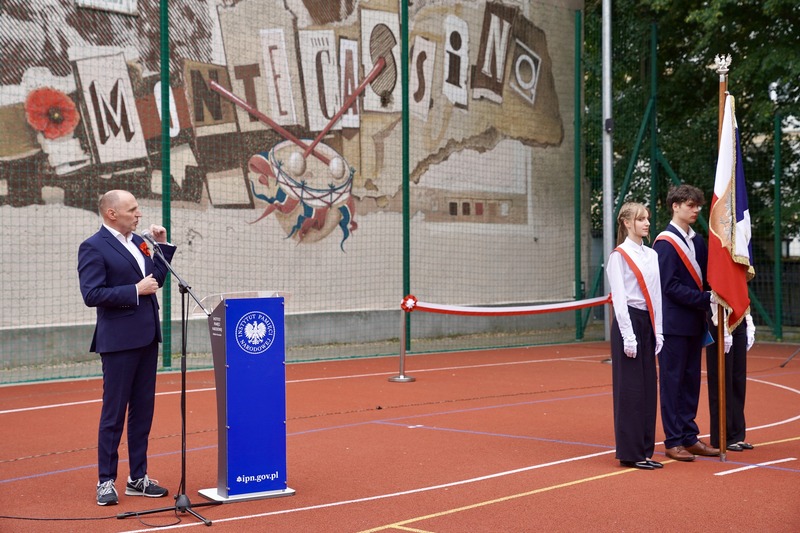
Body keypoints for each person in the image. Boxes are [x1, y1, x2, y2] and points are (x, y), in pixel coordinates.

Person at [78, 190, 175, 506]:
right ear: (111, 214)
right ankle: (105, 481)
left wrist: (160, 247)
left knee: (143, 412)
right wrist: (134, 290)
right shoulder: (93, 247)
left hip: (147, 337)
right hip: (118, 342)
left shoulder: (139, 241)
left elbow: (156, 280)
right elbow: (92, 294)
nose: (139, 214)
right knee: (113, 413)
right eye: (132, 210)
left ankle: (138, 478)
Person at [653, 184, 719, 462]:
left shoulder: (699, 241)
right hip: (673, 325)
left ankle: (689, 436)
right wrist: (705, 298)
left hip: (695, 322)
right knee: (672, 382)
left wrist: (710, 296)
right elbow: (669, 286)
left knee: (691, 382)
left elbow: (704, 278)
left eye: (698, 206)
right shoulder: (665, 243)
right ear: (675, 206)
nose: (696, 210)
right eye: (690, 205)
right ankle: (673, 440)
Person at [607, 202, 664, 470]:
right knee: (630, 391)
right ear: (627, 223)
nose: (647, 223)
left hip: (647, 322)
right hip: (627, 322)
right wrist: (628, 335)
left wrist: (659, 330)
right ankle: (630, 453)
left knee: (647, 390)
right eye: (641, 219)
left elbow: (656, 296)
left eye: (648, 219)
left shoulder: (651, 255)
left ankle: (645, 449)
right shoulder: (619, 256)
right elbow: (619, 298)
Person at [706, 309, 756, 452]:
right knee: (722, 379)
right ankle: (722, 435)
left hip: (738, 317)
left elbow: (741, 294)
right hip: (719, 316)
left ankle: (736, 434)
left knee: (737, 379)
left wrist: (748, 321)